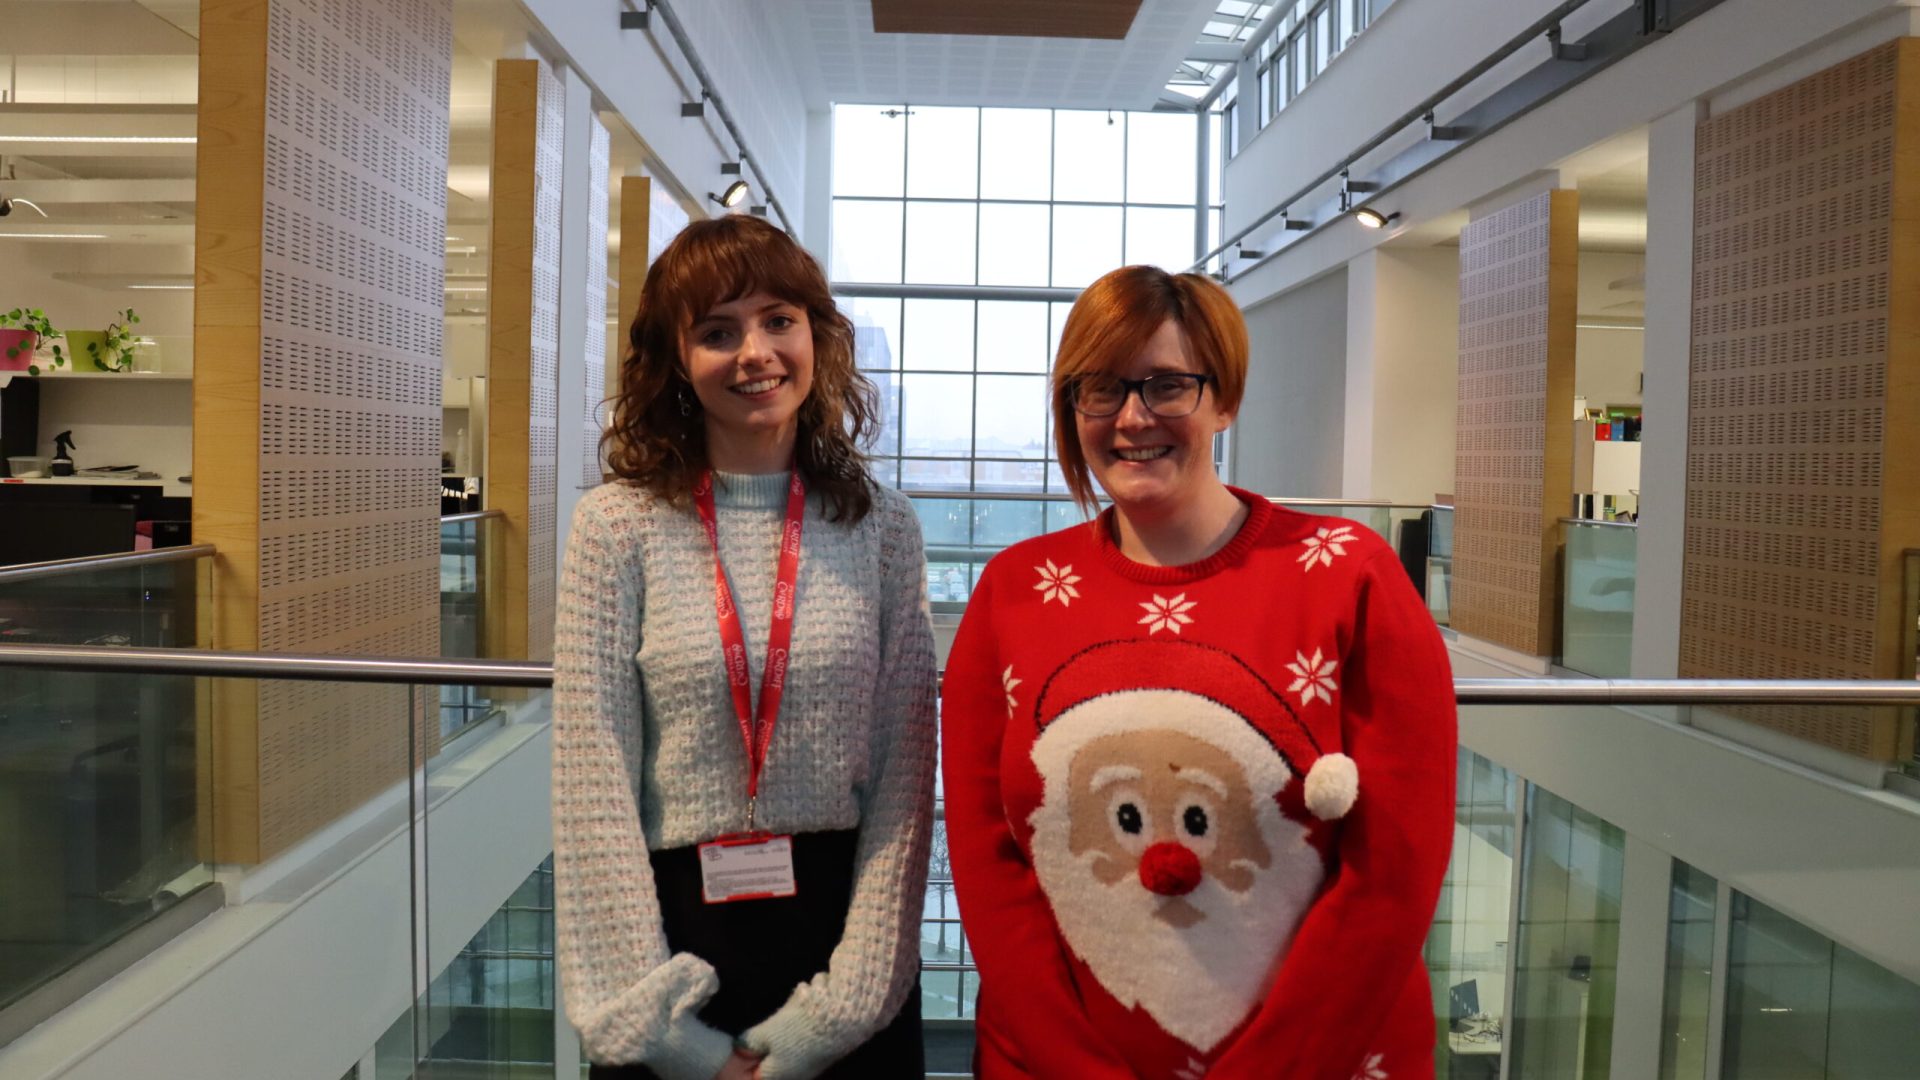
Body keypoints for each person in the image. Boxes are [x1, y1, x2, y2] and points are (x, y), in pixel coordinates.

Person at [941, 265, 1456, 1080]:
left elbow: (1391, 876)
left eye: (1168, 385)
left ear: (1226, 399)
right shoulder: (1012, 591)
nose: (1133, 417)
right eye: (1100, 388)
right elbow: (988, 867)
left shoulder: (1348, 577)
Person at [552, 215, 936, 1080]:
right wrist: (671, 1040)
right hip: (674, 950)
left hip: (846, 952)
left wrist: (841, 1014)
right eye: (717, 332)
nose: (754, 352)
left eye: (777, 321)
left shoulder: (882, 528)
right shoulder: (618, 526)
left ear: (816, 336)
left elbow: (904, 783)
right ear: (676, 361)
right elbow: (592, 779)